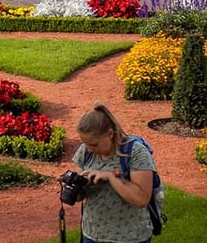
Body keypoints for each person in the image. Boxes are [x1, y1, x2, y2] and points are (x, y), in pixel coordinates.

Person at [64, 104, 158, 243]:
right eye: (85, 143)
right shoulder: (86, 151)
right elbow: (81, 196)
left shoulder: (135, 152)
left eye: (94, 145)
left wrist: (111, 177)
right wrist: (76, 186)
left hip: (130, 237)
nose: (89, 149)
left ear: (110, 133)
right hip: (92, 234)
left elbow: (141, 199)